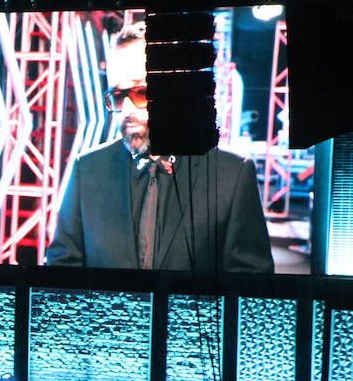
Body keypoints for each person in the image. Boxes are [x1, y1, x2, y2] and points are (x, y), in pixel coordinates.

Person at [45, 22, 274, 273]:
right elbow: (61, 279)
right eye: (119, 96)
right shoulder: (87, 169)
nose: (128, 110)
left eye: (142, 92)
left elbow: (249, 291)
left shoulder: (231, 174)